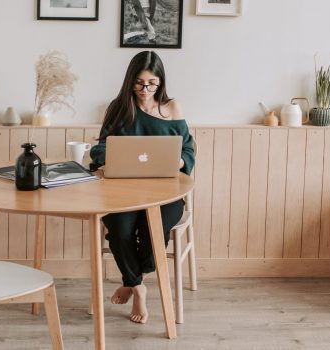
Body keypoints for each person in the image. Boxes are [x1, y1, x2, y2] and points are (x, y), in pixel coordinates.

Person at [90, 51, 195, 324]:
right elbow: (101, 147)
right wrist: (107, 158)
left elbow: (188, 148)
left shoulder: (172, 108)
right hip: (122, 191)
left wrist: (180, 159)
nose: (145, 90)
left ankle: (131, 280)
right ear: (129, 81)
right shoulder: (118, 107)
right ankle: (138, 286)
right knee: (120, 229)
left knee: (153, 230)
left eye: (152, 83)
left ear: (161, 82)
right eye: (139, 83)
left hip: (166, 192)